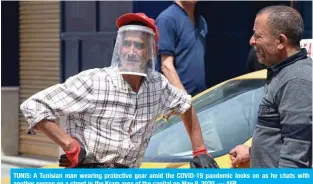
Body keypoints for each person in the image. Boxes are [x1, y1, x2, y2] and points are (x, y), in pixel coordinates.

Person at [20, 13, 219, 169]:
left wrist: (200, 150)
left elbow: (185, 105)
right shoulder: (94, 81)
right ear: (118, 46)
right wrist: (70, 146)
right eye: (126, 43)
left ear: (151, 51)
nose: (131, 51)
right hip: (88, 173)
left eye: (139, 45)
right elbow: (33, 105)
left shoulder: (158, 85)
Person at [229, 5, 312, 168]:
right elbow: (279, 136)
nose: (251, 41)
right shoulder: (284, 73)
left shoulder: (297, 80)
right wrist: (253, 152)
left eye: (257, 35)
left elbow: (295, 160)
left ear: (280, 41)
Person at [155, 0, 207, 97]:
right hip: (176, 102)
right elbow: (166, 66)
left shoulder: (201, 22)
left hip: (199, 99)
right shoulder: (167, 19)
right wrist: (185, 101)